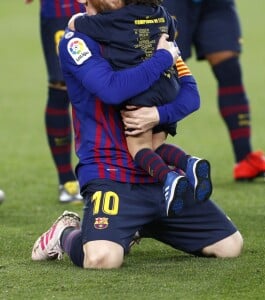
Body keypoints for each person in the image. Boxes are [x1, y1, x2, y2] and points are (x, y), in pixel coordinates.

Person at [31, 0, 243, 270]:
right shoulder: (76, 40)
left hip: (156, 171)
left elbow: (191, 94)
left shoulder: (153, 31)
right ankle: (64, 234)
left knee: (229, 245)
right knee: (102, 259)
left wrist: (158, 115)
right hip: (110, 173)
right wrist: (163, 58)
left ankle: (137, 226)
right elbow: (111, 90)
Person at [67, 0, 212, 216]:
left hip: (143, 92)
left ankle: (169, 178)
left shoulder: (114, 20)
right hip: (169, 86)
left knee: (139, 148)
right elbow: (172, 34)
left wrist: (75, 19)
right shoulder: (163, 14)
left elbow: (77, 25)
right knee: (155, 145)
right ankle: (189, 162)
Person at [158, 0, 265, 181]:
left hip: (216, 5)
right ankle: (143, 157)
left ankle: (245, 159)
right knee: (166, 71)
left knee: (229, 71)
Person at [24, 0, 85, 203]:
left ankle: (106, 175)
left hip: (105, 7)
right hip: (61, 8)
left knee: (105, 86)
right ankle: (67, 180)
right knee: (61, 87)